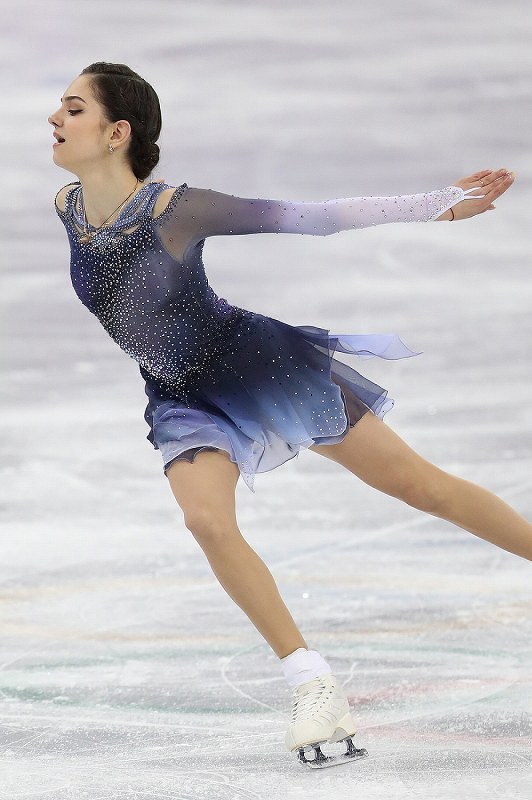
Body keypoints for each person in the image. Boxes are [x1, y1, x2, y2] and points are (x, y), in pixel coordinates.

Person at [48, 62, 531, 767]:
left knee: (419, 487)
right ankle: (312, 682)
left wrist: (440, 202)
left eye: (73, 108)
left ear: (117, 132)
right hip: (180, 393)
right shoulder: (67, 207)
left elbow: (312, 218)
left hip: (259, 368)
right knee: (206, 520)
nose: (55, 119)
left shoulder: (176, 209)